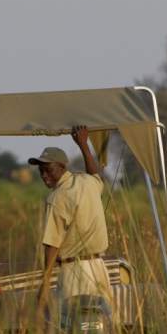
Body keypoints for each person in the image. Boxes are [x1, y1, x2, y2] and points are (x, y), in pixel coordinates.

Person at [29, 126, 114, 323]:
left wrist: (44, 283)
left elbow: (52, 243)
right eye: (41, 171)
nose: (44, 175)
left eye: (49, 169)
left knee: (71, 326)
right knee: (101, 323)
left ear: (62, 166)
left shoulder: (57, 197)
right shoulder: (87, 182)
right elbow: (95, 175)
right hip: (99, 267)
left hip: (74, 272)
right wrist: (83, 145)